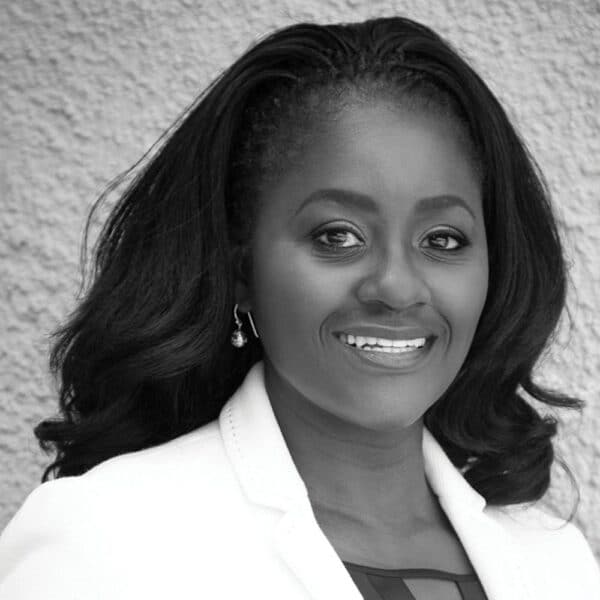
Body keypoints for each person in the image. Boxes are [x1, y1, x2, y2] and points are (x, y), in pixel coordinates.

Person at [0, 15, 598, 600]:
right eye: (337, 235)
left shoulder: (557, 561)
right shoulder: (104, 540)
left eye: (443, 240)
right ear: (241, 270)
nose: (396, 286)